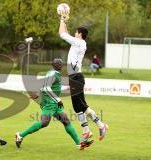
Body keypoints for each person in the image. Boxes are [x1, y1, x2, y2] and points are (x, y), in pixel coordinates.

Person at [15, 59, 93, 150]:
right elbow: (46, 88)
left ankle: (79, 143)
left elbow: (51, 87)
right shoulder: (53, 74)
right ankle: (20, 135)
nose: (60, 64)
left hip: (54, 103)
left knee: (66, 121)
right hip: (50, 102)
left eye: (60, 63)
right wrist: (57, 99)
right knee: (44, 122)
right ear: (53, 65)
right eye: (57, 63)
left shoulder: (54, 73)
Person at [59, 12, 108, 143]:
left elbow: (62, 34)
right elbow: (67, 34)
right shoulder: (78, 43)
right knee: (78, 107)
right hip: (74, 77)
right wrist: (65, 22)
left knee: (81, 105)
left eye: (76, 33)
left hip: (76, 77)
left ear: (80, 34)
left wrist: (62, 19)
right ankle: (87, 131)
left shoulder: (79, 43)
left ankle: (100, 126)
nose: (74, 34)